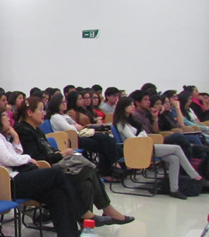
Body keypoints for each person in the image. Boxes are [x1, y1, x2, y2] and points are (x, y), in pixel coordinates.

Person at [0, 105, 83, 237]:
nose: (9, 119)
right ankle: (81, 218)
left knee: (57, 193)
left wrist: (15, 138)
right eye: (5, 116)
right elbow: (8, 159)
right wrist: (28, 158)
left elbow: (15, 155)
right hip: (2, 185)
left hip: (11, 178)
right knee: (57, 174)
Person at [14, 97, 133, 227]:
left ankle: (87, 225)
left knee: (86, 183)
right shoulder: (23, 131)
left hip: (53, 167)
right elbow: (37, 158)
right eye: (41, 110)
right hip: (45, 173)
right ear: (29, 113)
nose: (44, 113)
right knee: (86, 171)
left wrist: (59, 153)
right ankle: (103, 212)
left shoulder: (36, 129)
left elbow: (48, 150)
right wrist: (61, 154)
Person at [113, 97, 209, 200]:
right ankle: (195, 176)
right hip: (136, 150)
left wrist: (143, 134)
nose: (133, 106)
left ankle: (174, 189)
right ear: (123, 107)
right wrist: (142, 135)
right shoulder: (121, 123)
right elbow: (133, 139)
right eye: (130, 105)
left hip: (144, 146)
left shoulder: (130, 120)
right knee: (177, 148)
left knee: (174, 158)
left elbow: (141, 135)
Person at [47, 93, 118, 178]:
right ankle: (109, 169)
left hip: (80, 134)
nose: (65, 104)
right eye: (62, 102)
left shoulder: (65, 116)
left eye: (65, 102)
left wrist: (76, 127)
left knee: (107, 138)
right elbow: (71, 129)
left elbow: (78, 126)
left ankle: (111, 167)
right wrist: (76, 127)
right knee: (102, 145)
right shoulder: (56, 117)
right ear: (56, 104)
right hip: (71, 139)